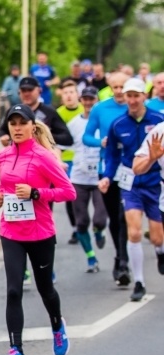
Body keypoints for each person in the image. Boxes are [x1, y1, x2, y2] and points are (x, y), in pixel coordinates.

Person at [0, 105, 76, 355]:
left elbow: (68, 192)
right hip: (11, 231)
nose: (17, 128)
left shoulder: (44, 157)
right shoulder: (3, 156)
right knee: (14, 289)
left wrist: (36, 193)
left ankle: (57, 325)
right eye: (12, 123)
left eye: (22, 123)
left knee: (45, 288)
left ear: (32, 126)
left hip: (40, 232)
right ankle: (16, 350)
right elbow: (4, 187)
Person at [101, 78, 164, 301]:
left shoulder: (158, 121)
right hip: (131, 182)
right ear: (125, 98)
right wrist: (108, 176)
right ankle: (139, 281)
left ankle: (160, 251)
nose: (133, 100)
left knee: (157, 238)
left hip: (156, 183)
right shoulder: (118, 124)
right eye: (129, 95)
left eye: (137, 95)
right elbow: (112, 156)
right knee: (134, 232)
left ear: (144, 97)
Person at [83, 72, 131, 285]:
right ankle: (120, 256)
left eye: (123, 87)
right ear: (110, 87)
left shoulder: (135, 106)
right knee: (114, 217)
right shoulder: (100, 108)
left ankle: (123, 260)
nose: (120, 91)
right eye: (116, 87)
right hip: (108, 169)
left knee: (125, 216)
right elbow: (87, 136)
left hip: (132, 169)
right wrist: (99, 142)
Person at [67, 86, 107, 272]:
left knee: (99, 219)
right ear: (81, 101)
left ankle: (99, 231)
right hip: (79, 178)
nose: (89, 103)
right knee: (81, 222)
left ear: (97, 100)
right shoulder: (74, 123)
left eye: (92, 99)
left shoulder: (103, 122)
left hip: (99, 177)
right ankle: (91, 257)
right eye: (86, 99)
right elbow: (60, 144)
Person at [0, 77, 73, 148]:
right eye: (23, 90)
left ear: (39, 91)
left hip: (42, 156)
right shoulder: (13, 111)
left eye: (30, 90)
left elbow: (67, 138)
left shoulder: (49, 112)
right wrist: (4, 137)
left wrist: (43, 136)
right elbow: (3, 130)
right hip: (20, 156)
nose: (26, 93)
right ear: (19, 92)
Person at [57, 80, 85, 245]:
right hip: (64, 159)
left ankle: (84, 222)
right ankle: (76, 227)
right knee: (70, 194)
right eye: (65, 93)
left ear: (77, 95)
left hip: (82, 158)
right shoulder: (58, 113)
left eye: (71, 92)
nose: (68, 95)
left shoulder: (85, 111)